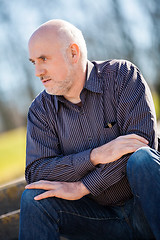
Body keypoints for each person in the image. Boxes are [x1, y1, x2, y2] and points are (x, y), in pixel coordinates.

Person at [19, 19, 160, 240]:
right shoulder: (40, 111)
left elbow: (141, 144)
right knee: (35, 198)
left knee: (141, 159)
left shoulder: (122, 76)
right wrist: (95, 156)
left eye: (43, 59)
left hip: (146, 206)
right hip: (98, 221)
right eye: (33, 62)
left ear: (73, 53)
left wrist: (83, 186)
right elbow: (37, 172)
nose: (37, 72)